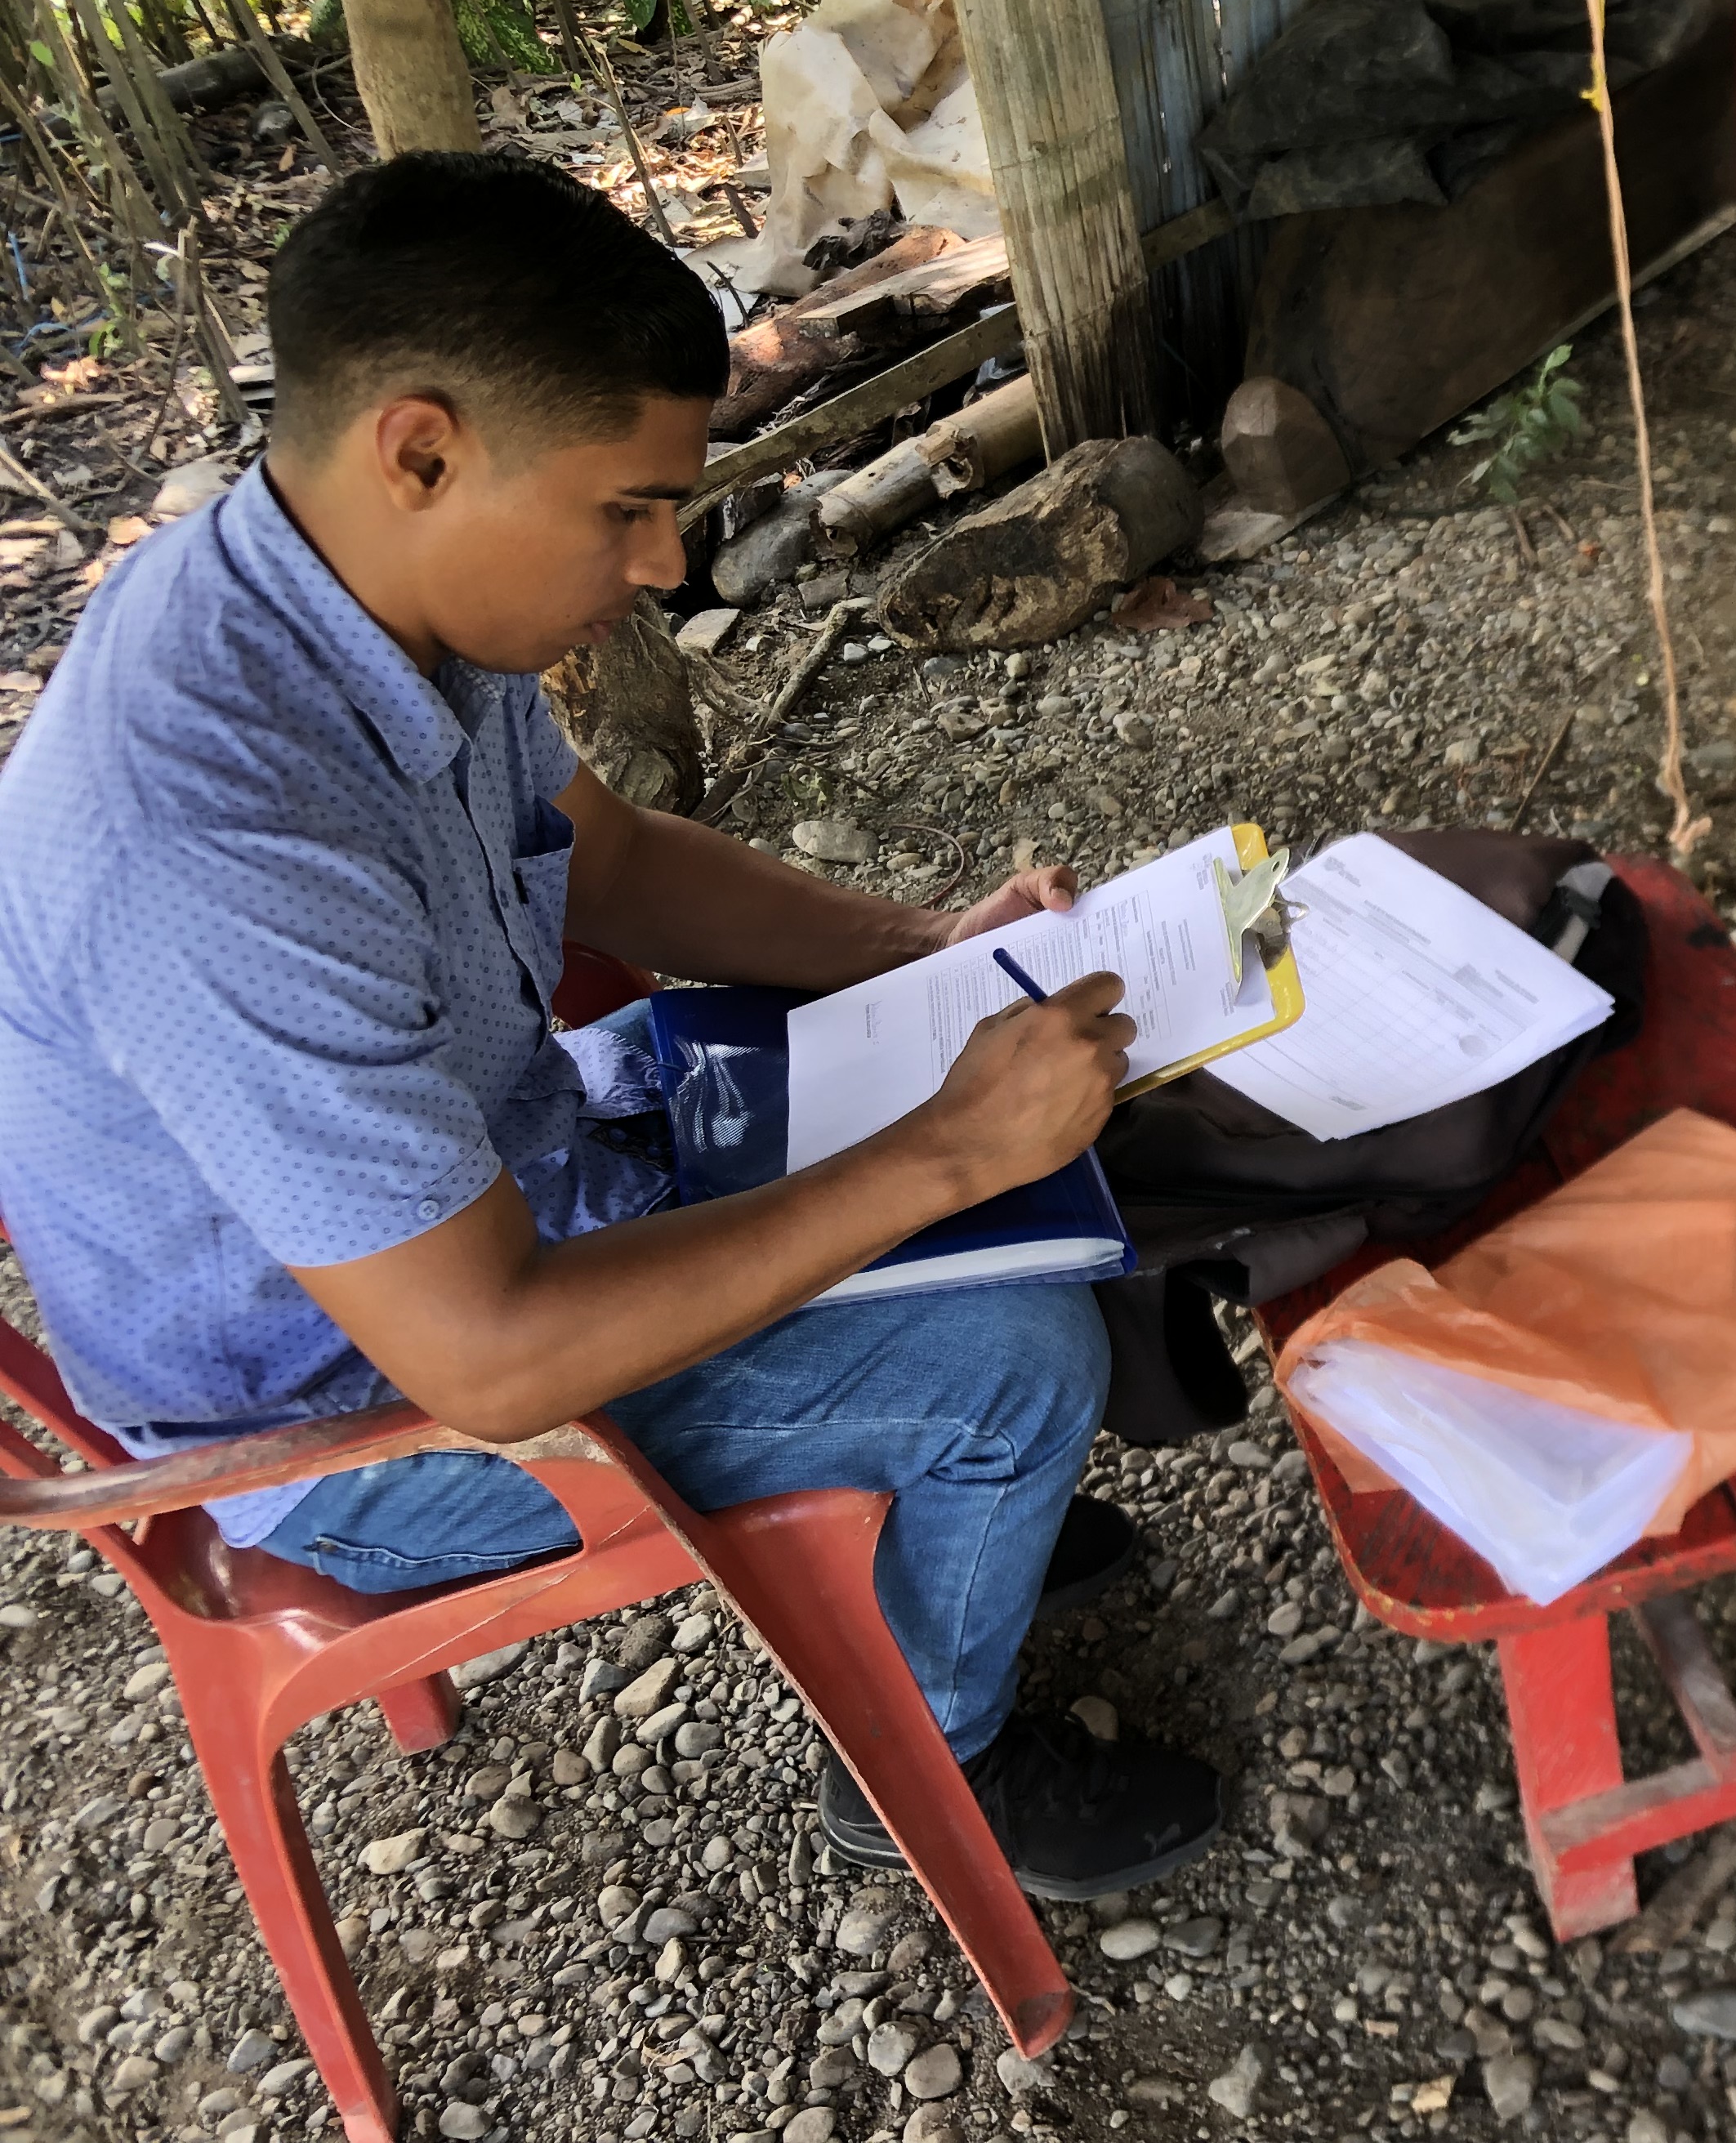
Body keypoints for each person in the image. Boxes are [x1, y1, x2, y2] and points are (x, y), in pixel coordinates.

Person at [0, 152, 1223, 1897]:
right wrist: (949, 1149)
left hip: (510, 1161)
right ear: (420, 451)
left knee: (987, 1146)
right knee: (1016, 1352)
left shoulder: (374, 599)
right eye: (627, 510)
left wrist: (924, 946)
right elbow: (491, 1360)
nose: (662, 562)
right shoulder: (212, 840)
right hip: (347, 1416)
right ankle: (926, 1778)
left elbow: (614, 857)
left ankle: (938, 1515)